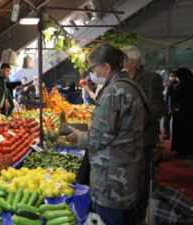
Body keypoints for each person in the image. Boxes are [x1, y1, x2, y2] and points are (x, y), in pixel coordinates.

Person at [67, 44, 146, 225]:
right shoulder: (131, 85)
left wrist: (79, 136)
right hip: (129, 170)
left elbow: (99, 138)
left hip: (112, 179)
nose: (92, 73)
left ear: (107, 67)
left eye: (93, 68)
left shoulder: (113, 92)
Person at [121, 45, 167, 222]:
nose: (120, 63)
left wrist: (133, 118)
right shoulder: (121, 79)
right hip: (123, 139)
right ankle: (127, 207)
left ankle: (140, 213)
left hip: (143, 138)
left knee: (140, 176)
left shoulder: (150, 78)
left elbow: (159, 108)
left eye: (122, 59)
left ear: (132, 62)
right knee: (125, 176)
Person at [170, 67, 193, 156]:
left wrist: (171, 88)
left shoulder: (181, 85)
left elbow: (176, 97)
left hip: (182, 112)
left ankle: (182, 150)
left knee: (182, 131)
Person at [163, 71, 177, 140]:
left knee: (175, 122)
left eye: (173, 75)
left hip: (174, 106)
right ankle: (166, 134)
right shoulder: (166, 85)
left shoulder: (177, 85)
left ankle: (175, 136)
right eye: (170, 76)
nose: (171, 77)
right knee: (166, 121)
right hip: (166, 105)